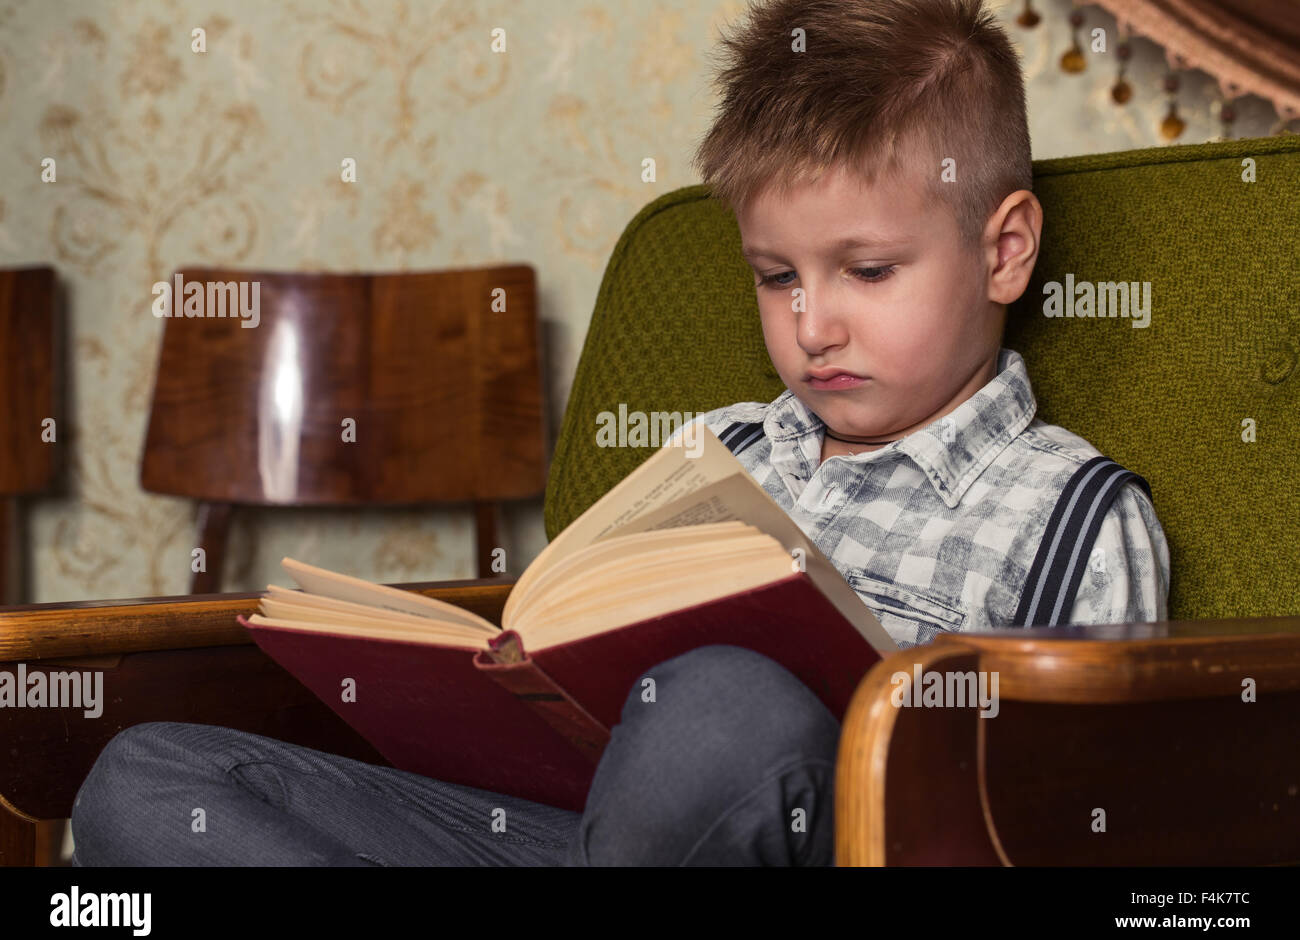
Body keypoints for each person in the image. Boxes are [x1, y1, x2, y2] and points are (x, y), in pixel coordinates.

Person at [71, 0, 1169, 867]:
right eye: (775, 276)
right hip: (565, 834)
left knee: (719, 705)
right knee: (153, 778)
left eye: (867, 271)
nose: (812, 322)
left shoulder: (1070, 515)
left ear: (1005, 249)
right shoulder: (720, 451)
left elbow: (1087, 818)